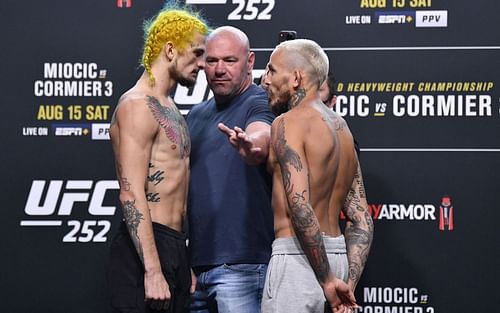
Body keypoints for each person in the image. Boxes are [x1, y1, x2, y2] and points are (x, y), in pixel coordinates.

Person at [107, 5, 209, 313]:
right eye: (197, 53)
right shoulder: (136, 106)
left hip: (173, 248)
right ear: (169, 49)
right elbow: (130, 193)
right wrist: (152, 270)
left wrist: (181, 261)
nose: (202, 64)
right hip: (144, 252)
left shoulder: (170, 107)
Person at [261, 39, 374, 313]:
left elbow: (300, 206)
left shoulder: (287, 123)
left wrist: (325, 280)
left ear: (296, 78)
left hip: (297, 259)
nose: (265, 80)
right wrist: (346, 283)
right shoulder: (342, 129)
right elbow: (362, 219)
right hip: (338, 259)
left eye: (272, 70)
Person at [187, 26, 276, 313]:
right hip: (197, 268)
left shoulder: (261, 101)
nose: (219, 69)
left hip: (244, 266)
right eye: (212, 61)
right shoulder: (195, 115)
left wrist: (253, 146)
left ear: (250, 62)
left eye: (230, 60)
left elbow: (261, 134)